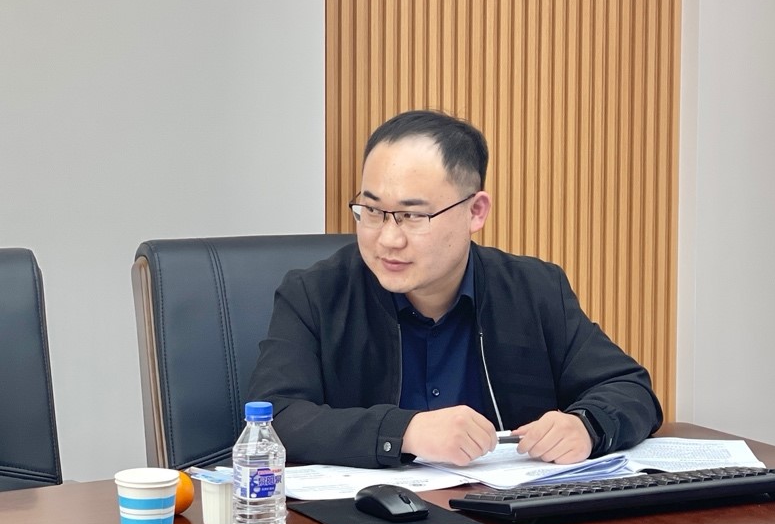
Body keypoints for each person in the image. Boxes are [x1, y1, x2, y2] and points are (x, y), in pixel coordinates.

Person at [248, 109, 662, 469]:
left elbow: (630, 389)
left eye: (412, 216)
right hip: (359, 518)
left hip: (506, 516)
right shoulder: (315, 294)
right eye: (372, 210)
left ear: (475, 212)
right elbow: (277, 418)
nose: (388, 238)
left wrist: (587, 425)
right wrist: (404, 431)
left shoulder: (534, 290)